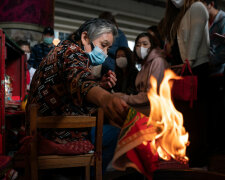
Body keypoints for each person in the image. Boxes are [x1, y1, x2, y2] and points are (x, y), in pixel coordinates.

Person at [26, 18, 128, 174]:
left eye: (108, 48)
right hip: (55, 134)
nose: (105, 54)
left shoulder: (63, 50)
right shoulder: (72, 52)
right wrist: (105, 98)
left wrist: (99, 86)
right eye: (103, 45)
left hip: (44, 129)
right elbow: (80, 80)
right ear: (85, 38)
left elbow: (74, 84)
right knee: (116, 134)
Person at [161, 0, 210, 167]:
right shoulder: (179, 15)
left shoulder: (196, 7)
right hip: (185, 71)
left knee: (196, 122)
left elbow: (195, 38)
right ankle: (190, 161)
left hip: (195, 71)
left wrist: (188, 62)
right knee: (186, 121)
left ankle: (199, 165)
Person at [114, 33, 169, 115]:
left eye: (145, 44)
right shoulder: (144, 65)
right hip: (143, 106)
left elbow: (151, 95)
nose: (141, 47)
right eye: (138, 45)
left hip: (153, 110)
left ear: (152, 46)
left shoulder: (158, 62)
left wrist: (125, 97)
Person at [203, 0, 225, 155]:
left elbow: (223, 52)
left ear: (210, 3)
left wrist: (207, 62)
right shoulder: (206, 22)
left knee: (220, 116)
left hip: (220, 73)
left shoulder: (223, 20)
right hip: (211, 75)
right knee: (211, 116)